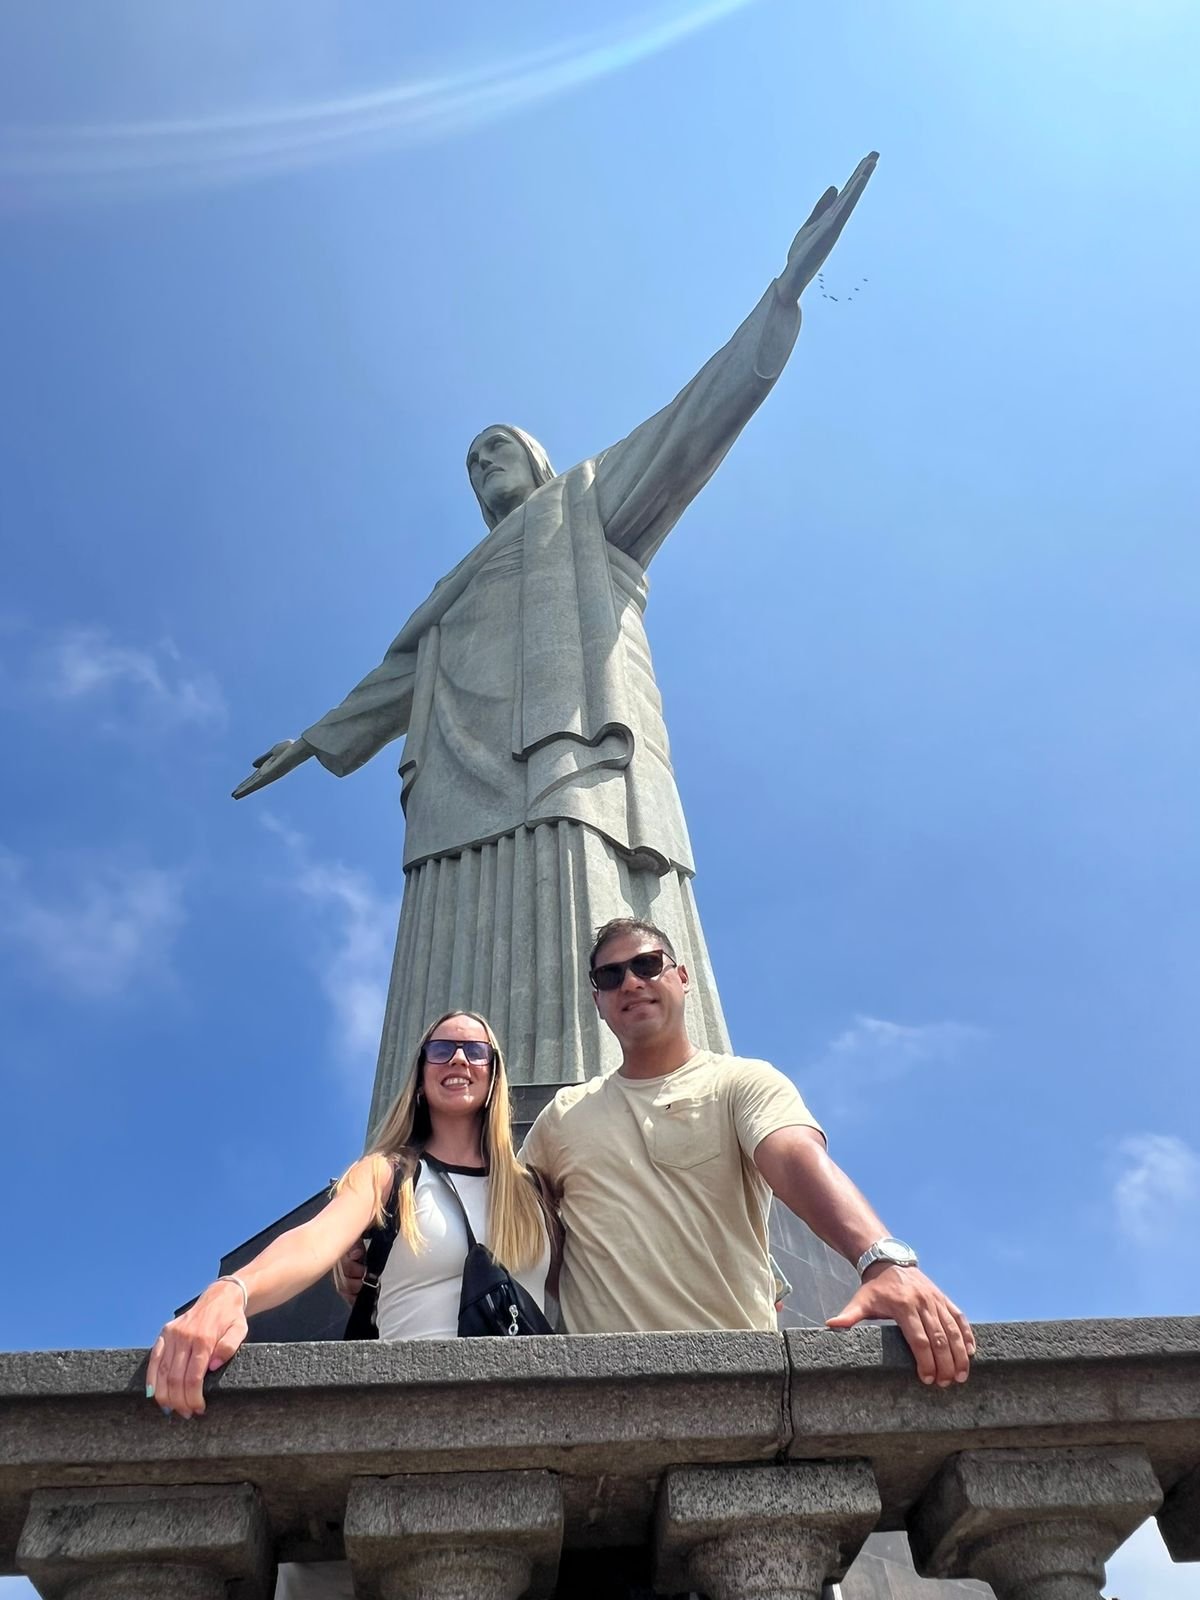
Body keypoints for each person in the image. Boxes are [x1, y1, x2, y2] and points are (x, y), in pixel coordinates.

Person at [229, 155, 880, 1120]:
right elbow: (391, 681)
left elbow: (689, 426)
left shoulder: (585, 503)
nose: (484, 459)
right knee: (448, 944)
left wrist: (778, 300)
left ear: (534, 460)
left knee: (591, 908)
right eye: (470, 457)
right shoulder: (451, 590)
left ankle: (613, 1109)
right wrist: (312, 742)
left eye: (499, 445)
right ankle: (433, 1131)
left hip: (568, 750)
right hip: (455, 788)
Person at [343, 919, 973, 1387]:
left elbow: (797, 1162)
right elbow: (509, 1225)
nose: (631, 984)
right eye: (610, 976)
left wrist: (882, 1259)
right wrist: (387, 1255)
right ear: (596, 999)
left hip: (736, 1375)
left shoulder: (741, 1082)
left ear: (681, 976)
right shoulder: (565, 1117)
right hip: (602, 1389)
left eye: (647, 965)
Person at [146, 1011, 555, 1422]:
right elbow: (315, 1239)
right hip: (413, 1412)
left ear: (494, 1075)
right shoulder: (387, 1173)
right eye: (442, 1049)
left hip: (526, 1413)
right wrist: (232, 1291)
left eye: (476, 1051)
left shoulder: (532, 1189)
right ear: (419, 1076)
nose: (459, 1060)